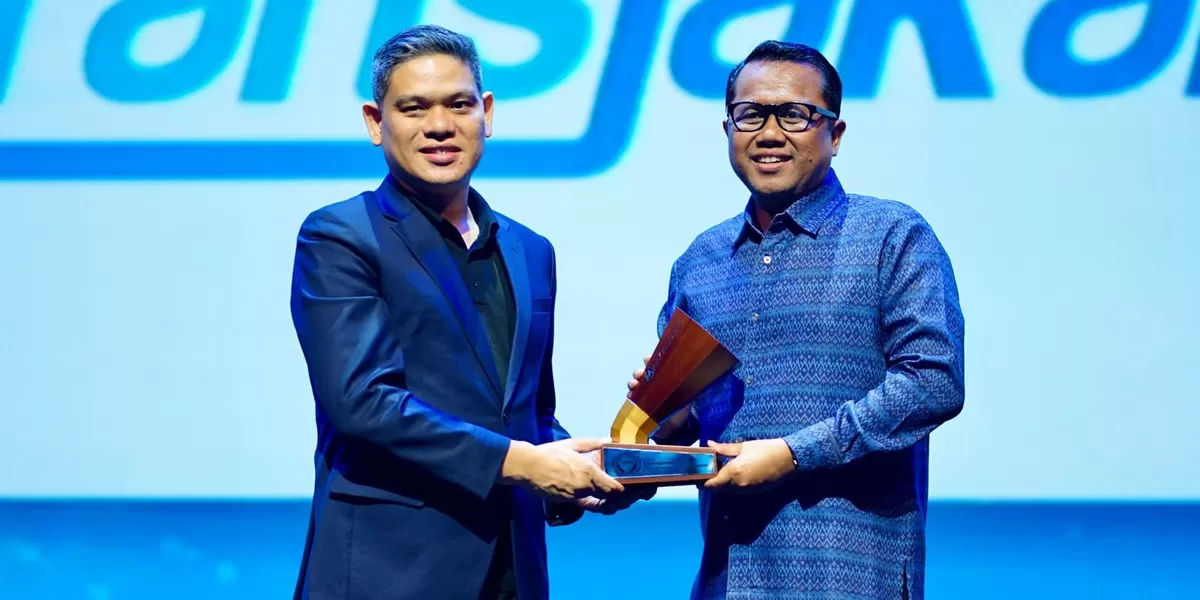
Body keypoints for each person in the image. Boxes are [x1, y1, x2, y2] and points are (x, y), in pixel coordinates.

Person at [289, 25, 642, 600]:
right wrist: (526, 464)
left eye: (458, 104)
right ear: (375, 123)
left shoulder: (531, 250)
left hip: (513, 570)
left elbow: (526, 411)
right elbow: (362, 403)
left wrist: (580, 469)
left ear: (487, 113)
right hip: (389, 572)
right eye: (413, 108)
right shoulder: (340, 236)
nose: (439, 125)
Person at [629, 41, 965, 599]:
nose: (768, 133)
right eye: (750, 114)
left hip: (850, 578)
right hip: (725, 580)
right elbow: (692, 428)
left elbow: (933, 382)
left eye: (793, 115)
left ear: (835, 134)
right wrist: (671, 420)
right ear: (728, 129)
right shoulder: (699, 262)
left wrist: (791, 455)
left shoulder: (893, 236)